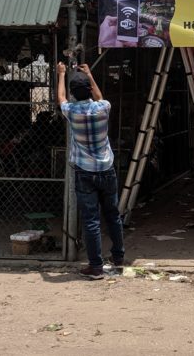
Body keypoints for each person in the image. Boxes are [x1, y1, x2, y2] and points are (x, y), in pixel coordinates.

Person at [56, 62, 125, 279]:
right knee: (113, 215)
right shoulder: (103, 108)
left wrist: (61, 74)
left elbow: (61, 98)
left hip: (84, 172)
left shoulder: (71, 112)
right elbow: (99, 95)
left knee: (91, 219)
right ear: (89, 90)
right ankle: (118, 257)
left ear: (73, 93)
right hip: (106, 168)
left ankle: (96, 266)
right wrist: (89, 74)